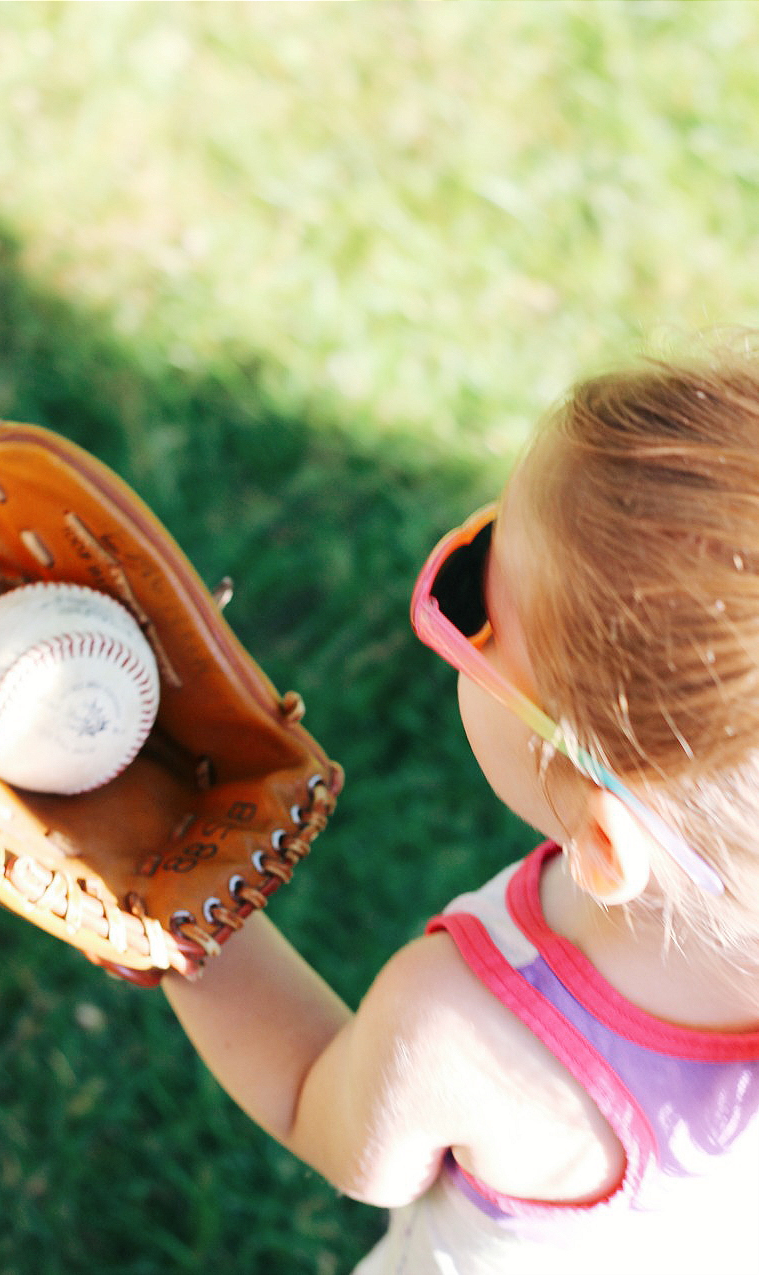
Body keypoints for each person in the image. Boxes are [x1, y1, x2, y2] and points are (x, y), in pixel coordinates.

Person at [163, 344, 759, 1274]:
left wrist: (172, 897)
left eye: (469, 596)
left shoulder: (458, 1023)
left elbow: (315, 1101)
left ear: (607, 843)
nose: (452, 573)